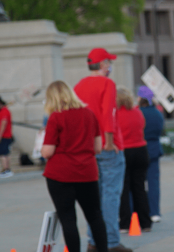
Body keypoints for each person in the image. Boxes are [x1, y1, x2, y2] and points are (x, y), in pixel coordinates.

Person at [73, 48, 131, 252]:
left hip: (88, 147)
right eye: (108, 62)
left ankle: (93, 241)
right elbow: (108, 113)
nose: (110, 66)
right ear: (103, 64)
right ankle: (111, 242)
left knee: (93, 197)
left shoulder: (79, 86)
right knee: (111, 195)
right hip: (107, 145)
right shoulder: (107, 84)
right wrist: (108, 140)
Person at [41, 81, 107, 252]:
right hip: (87, 172)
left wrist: (42, 148)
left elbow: (48, 151)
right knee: (95, 217)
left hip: (61, 174)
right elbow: (98, 148)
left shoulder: (56, 117)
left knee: (68, 219)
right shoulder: (89, 114)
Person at [116, 87, 152, 233]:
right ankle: (145, 222)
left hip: (124, 151)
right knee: (140, 188)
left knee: (123, 189)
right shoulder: (137, 112)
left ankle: (124, 223)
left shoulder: (116, 114)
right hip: (141, 151)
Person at [138, 86, 164, 223]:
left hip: (141, 149)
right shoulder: (157, 113)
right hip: (154, 150)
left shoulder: (138, 113)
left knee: (138, 184)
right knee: (154, 183)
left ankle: (136, 212)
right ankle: (155, 212)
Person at [0, 96, 14, 178]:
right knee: (6, 153)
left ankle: (5, 170)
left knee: (2, 153)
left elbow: (4, 123)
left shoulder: (5, 111)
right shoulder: (1, 111)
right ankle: (7, 169)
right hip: (5, 136)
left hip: (4, 136)